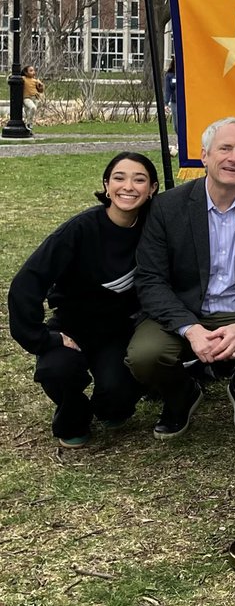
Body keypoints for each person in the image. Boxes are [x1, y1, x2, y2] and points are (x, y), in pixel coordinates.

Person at [128, 117, 235, 439]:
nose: (234, 158)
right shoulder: (167, 208)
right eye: (225, 148)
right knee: (144, 355)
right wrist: (191, 329)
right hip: (185, 308)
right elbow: (151, 278)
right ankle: (181, 394)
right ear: (204, 155)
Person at [8, 152, 158, 447]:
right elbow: (27, 283)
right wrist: (42, 338)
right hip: (72, 326)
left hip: (119, 331)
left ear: (152, 188)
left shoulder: (154, 228)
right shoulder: (79, 229)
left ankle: (109, 403)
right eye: (119, 178)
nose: (128, 186)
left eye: (139, 179)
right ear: (106, 184)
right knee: (57, 369)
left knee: (116, 403)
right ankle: (72, 411)